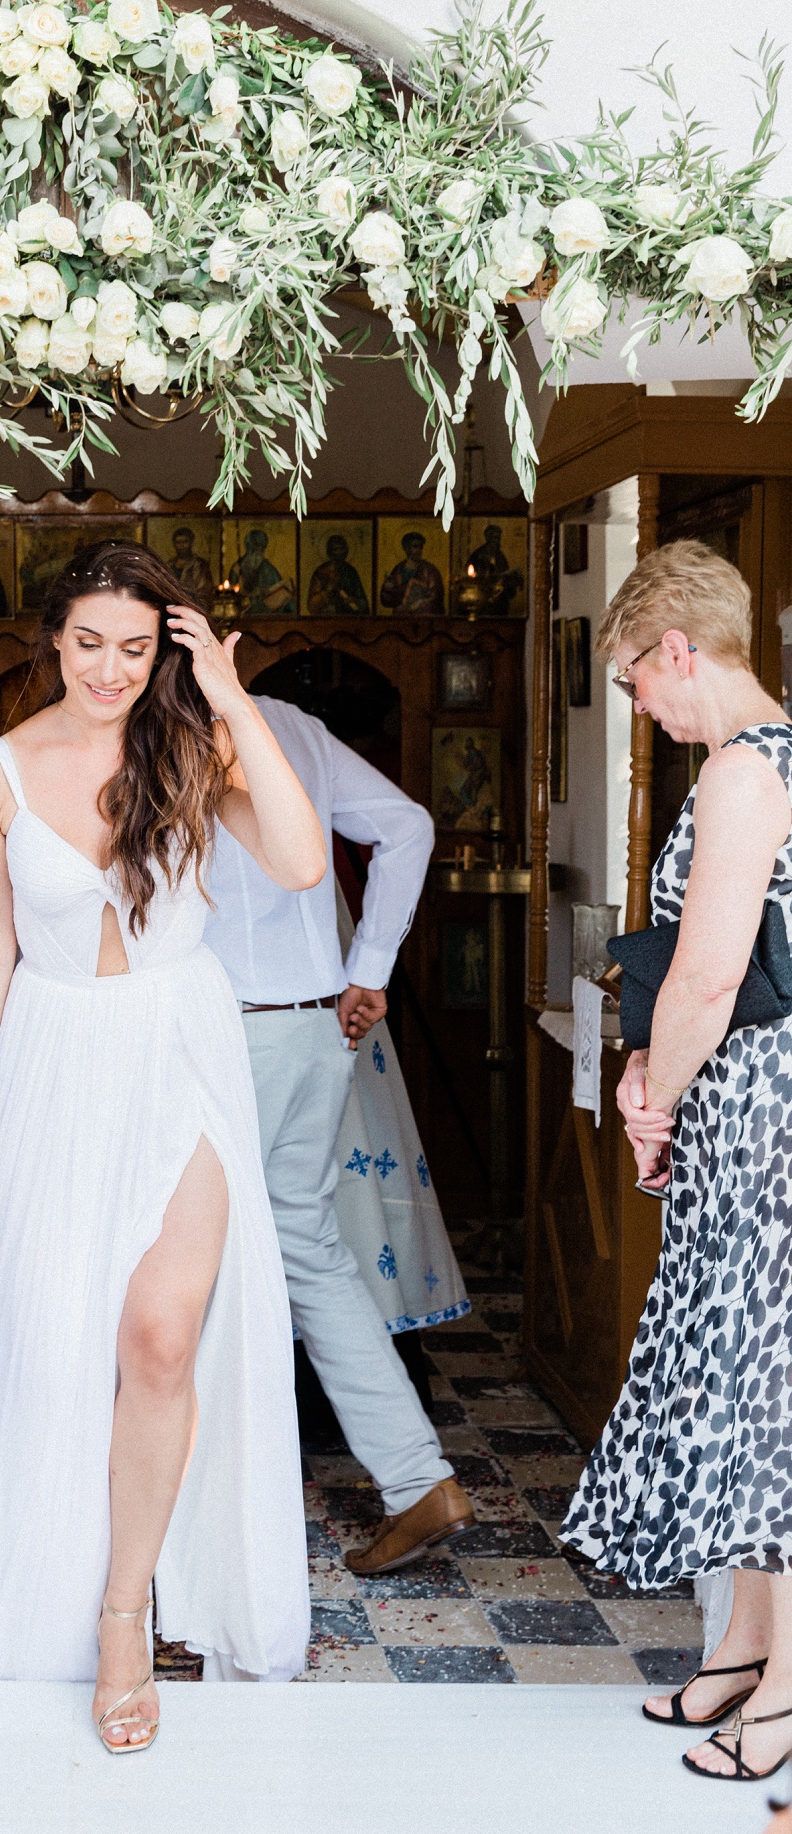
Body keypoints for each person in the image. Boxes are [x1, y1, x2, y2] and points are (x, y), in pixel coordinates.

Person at [0, 540, 326, 1743]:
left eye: (136, 648)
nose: (109, 668)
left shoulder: (195, 746)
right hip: (44, 1060)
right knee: (42, 1341)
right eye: (89, 642)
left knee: (159, 1336)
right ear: (53, 638)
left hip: (177, 1055)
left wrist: (233, 695)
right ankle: (27, 1580)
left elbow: (300, 862)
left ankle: (122, 1611)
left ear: (169, 649)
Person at [561, 541, 792, 1785]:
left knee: (767, 1381)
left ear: (678, 652)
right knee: (748, 1368)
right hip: (755, 1094)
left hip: (762, 1104)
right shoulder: (769, 761)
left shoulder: (748, 776)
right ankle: (750, 1646)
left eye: (638, 686)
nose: (641, 709)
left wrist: (655, 1093)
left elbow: (709, 971)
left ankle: (791, 1689)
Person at [204, 694, 475, 1573]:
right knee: (309, 1248)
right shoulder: (294, 723)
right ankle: (415, 1476)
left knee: (182, 1257)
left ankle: (207, 1514)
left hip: (218, 1029)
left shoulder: (159, 725)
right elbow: (407, 825)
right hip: (316, 1021)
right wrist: (368, 968)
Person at [379, 529, 446, 615]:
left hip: (424, 617)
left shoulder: (430, 570)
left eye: (420, 547)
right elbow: (388, 601)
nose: (418, 550)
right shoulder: (398, 569)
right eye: (415, 546)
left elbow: (436, 596)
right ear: (406, 548)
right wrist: (388, 588)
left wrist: (420, 603)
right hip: (402, 617)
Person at [305, 533, 369, 616]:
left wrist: (354, 601)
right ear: (329, 551)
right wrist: (328, 590)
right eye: (335, 549)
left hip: (348, 617)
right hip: (326, 617)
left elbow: (363, 603)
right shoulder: (321, 571)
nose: (339, 552)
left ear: (346, 550)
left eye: (341, 549)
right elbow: (312, 605)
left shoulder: (351, 572)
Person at [229, 527, 290, 613]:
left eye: (260, 552)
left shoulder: (269, 569)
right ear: (248, 551)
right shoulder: (237, 568)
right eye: (253, 552)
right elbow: (231, 595)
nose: (257, 557)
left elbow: (278, 589)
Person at [167, 524, 216, 612]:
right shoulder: (169, 565)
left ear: (191, 542)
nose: (182, 546)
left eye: (185, 542)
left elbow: (205, 590)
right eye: (178, 542)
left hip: (194, 608)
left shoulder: (200, 565)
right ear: (174, 544)